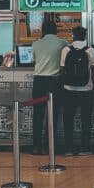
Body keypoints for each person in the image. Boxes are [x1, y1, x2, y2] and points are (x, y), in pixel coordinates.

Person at [30, 14, 68, 155]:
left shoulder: (36, 43)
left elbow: (35, 61)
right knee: (52, 114)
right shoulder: (63, 43)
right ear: (56, 30)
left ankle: (36, 146)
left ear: (43, 30)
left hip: (38, 81)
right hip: (54, 82)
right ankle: (48, 146)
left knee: (37, 115)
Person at [60, 25, 94, 156]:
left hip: (69, 89)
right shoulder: (90, 50)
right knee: (85, 120)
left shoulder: (66, 50)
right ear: (85, 36)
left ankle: (68, 148)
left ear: (73, 36)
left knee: (68, 119)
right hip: (86, 89)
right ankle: (84, 148)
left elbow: (62, 69)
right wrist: (92, 85)